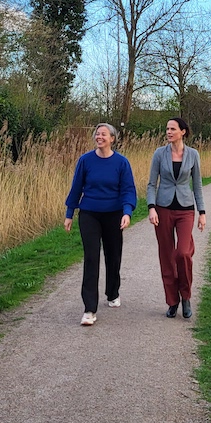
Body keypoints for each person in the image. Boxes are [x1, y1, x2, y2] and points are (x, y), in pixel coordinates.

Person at [65, 123, 137, 326]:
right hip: (89, 213)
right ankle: (89, 309)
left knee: (113, 256)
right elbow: (76, 187)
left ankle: (112, 292)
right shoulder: (85, 160)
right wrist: (70, 213)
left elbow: (128, 190)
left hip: (114, 214)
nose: (99, 137)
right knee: (91, 257)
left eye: (104, 134)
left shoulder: (121, 163)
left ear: (112, 138)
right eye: (97, 134)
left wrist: (127, 212)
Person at [146, 117, 206, 319]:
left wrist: (202, 213)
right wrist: (151, 207)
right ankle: (172, 302)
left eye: (173, 129)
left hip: (186, 209)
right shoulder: (159, 154)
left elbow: (197, 185)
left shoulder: (193, 155)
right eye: (167, 129)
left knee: (182, 253)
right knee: (166, 256)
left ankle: (186, 297)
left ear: (183, 132)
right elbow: (151, 184)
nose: (169, 132)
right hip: (162, 209)